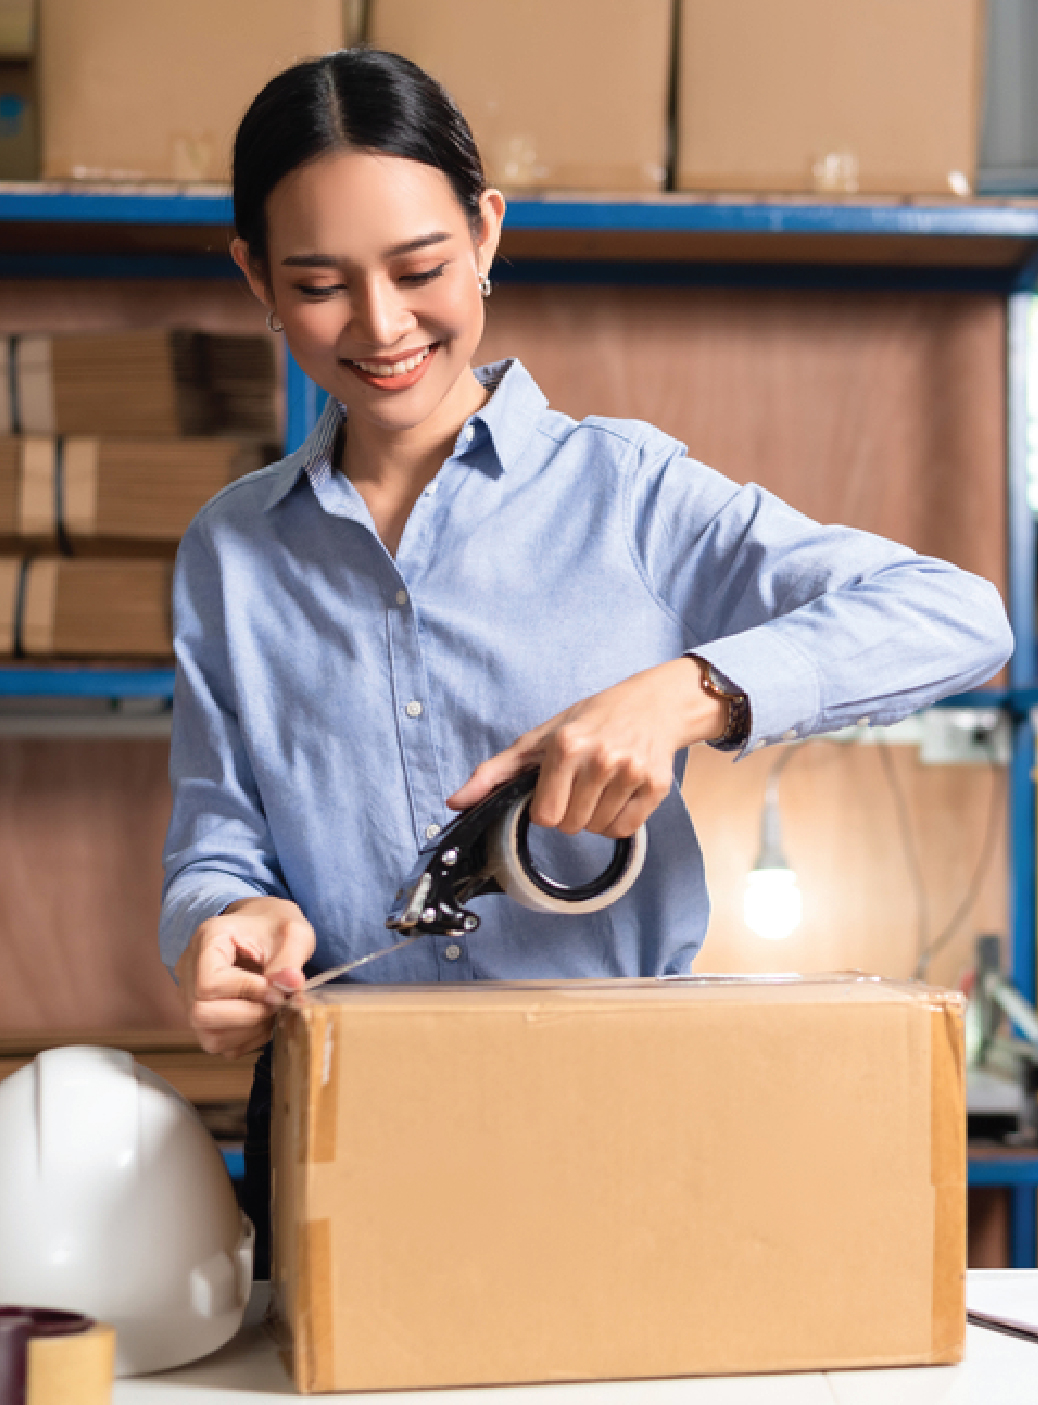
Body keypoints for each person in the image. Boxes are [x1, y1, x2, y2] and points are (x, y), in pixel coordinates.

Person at [160, 48, 1013, 1272]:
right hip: (347, 1132)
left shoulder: (631, 495)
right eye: (319, 285)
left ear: (486, 234)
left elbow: (960, 615)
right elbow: (215, 844)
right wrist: (224, 922)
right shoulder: (229, 553)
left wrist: (692, 691)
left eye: (420, 269)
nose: (383, 325)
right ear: (256, 278)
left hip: (618, 1123)